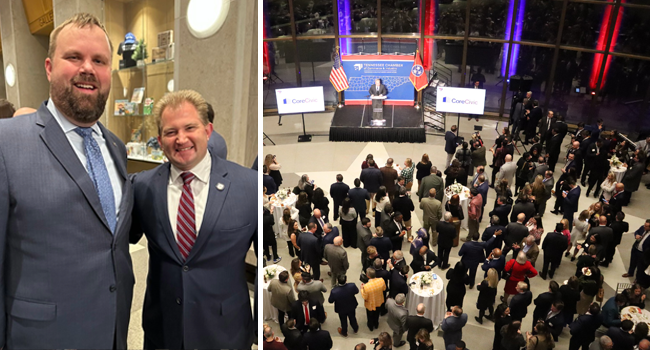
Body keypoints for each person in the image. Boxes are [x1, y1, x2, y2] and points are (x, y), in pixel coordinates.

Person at [0, 13, 137, 349]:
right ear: (49, 67)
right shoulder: (6, 143)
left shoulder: (117, 148)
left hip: (114, 331)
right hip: (43, 338)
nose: (87, 68)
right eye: (74, 57)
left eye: (99, 60)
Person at [137, 92, 262, 347]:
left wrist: (261, 329)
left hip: (226, 332)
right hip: (163, 331)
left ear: (208, 130)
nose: (181, 139)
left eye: (190, 127)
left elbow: (265, 262)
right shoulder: (141, 187)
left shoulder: (249, 186)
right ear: (160, 140)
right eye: (171, 132)